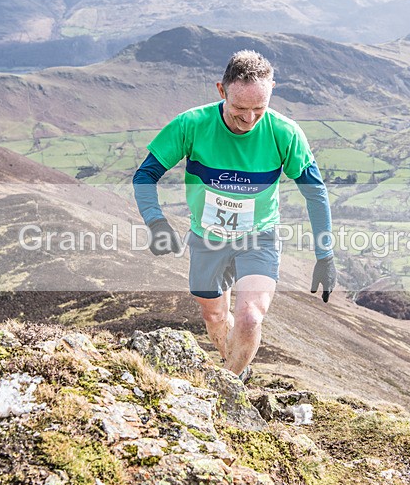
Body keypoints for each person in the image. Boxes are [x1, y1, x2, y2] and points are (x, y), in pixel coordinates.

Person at [132, 50, 335, 380]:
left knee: (251, 317)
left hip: (259, 236)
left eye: (260, 108)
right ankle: (237, 366)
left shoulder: (285, 132)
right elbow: (144, 176)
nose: (250, 119)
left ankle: (225, 386)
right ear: (221, 90)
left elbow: (315, 191)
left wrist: (324, 255)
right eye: (241, 109)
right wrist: (156, 221)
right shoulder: (191, 125)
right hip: (206, 237)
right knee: (214, 316)